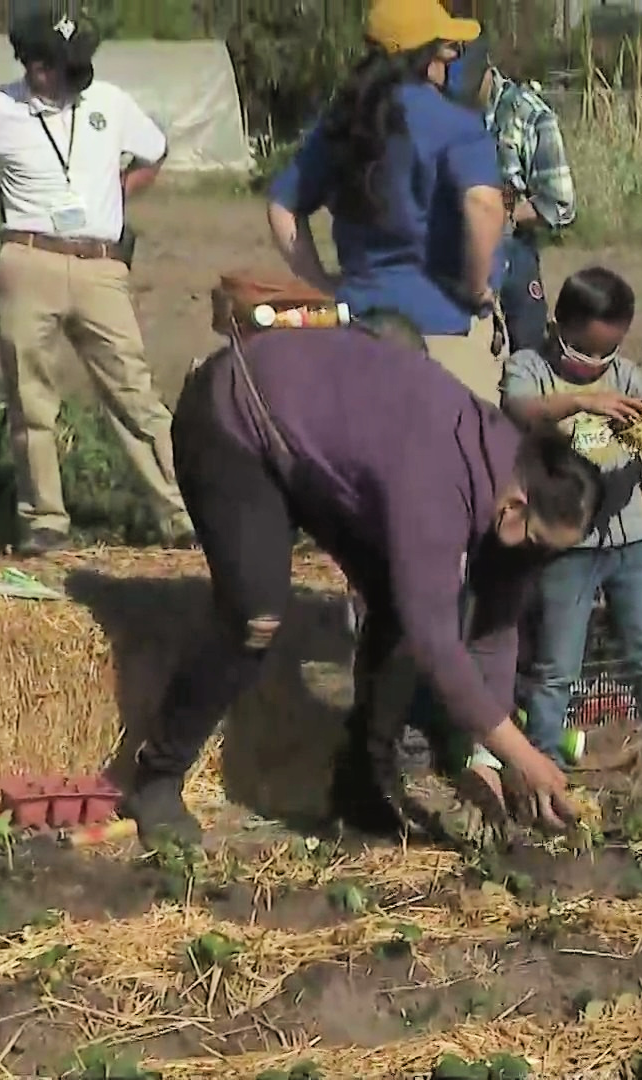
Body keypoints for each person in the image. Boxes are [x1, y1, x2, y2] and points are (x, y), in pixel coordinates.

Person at [120, 322, 602, 846]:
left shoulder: (518, 481)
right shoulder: (438, 485)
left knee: (396, 601)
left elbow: (495, 628)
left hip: (318, 447)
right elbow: (435, 642)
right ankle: (156, 778)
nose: (539, 561)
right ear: (514, 510)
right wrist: (522, 754)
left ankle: (359, 780)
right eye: (537, 545)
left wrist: (487, 760)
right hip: (239, 415)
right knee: (255, 615)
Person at [0, 12, 192, 555]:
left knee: (136, 395)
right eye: (69, 66)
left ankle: (181, 512)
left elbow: (155, 150)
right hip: (27, 263)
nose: (83, 74)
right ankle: (45, 520)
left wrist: (120, 194)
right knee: (32, 398)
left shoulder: (112, 103)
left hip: (102, 267)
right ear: (36, 67)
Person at [500, 267, 642, 797]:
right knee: (556, 667)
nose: (597, 368)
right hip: (569, 547)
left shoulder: (625, 374)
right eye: (586, 354)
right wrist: (580, 401)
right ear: (561, 327)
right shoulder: (531, 368)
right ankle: (544, 763)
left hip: (628, 538)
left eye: (607, 357)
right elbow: (518, 407)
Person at [265, 0, 507, 403]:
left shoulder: (343, 123)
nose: (451, 55)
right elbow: (484, 205)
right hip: (444, 330)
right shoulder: (456, 124)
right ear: (425, 54)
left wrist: (323, 283)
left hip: (357, 323)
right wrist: (477, 286)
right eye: (446, 46)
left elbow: (282, 207)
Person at [444, 36, 575, 357]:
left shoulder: (529, 116)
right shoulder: (437, 111)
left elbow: (560, 202)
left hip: (512, 253)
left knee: (526, 356)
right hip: (449, 253)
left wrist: (502, 215)